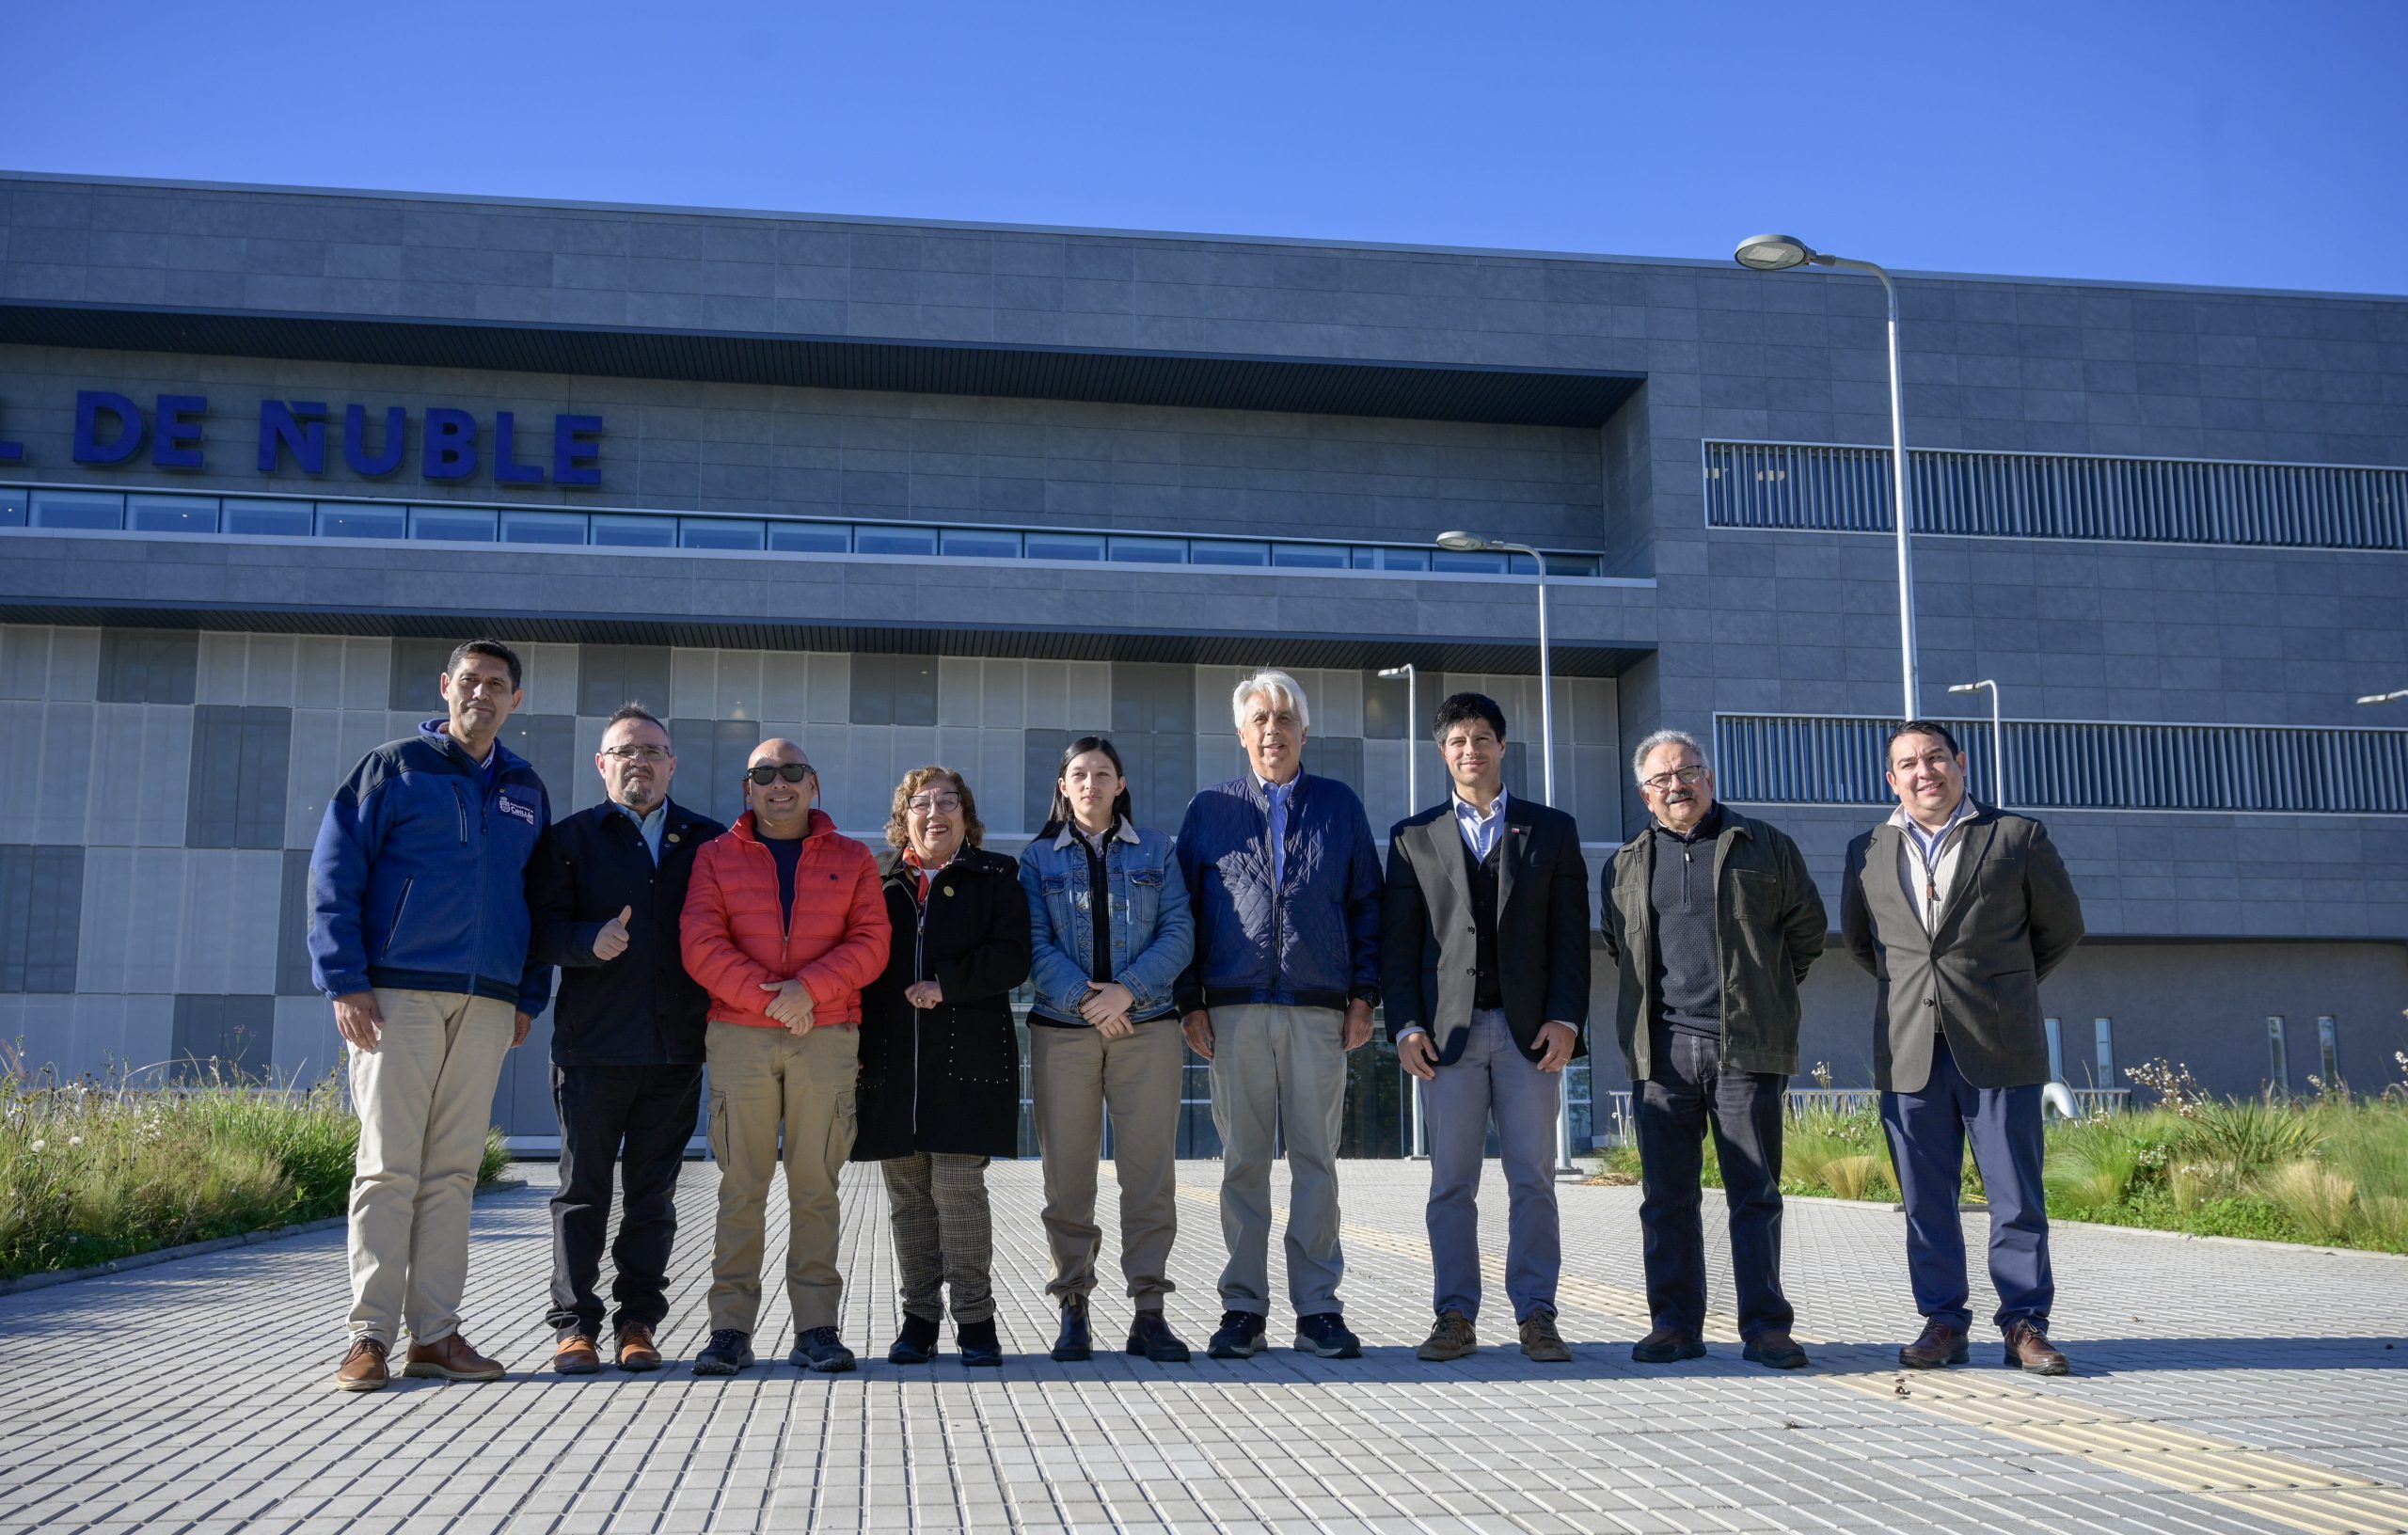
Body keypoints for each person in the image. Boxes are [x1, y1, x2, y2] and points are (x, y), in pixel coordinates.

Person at [310, 639, 552, 1393]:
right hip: (396, 996)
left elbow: (536, 900)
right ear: (447, 687)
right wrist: (345, 980)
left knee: (452, 1173)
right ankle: (369, 1336)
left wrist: (528, 994)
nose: (482, 694)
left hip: (487, 1002)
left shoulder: (524, 787)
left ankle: (437, 1335)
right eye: (470, 681)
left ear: (516, 700)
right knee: (388, 1167)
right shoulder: (393, 768)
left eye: (498, 685)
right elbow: (335, 872)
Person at [1841, 720, 2086, 1375]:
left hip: (1998, 1044)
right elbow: (1867, 946)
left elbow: (2059, 929)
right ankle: (1944, 1322)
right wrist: (1926, 992)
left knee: (2014, 1195)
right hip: (1908, 1046)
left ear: (1960, 764)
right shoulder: (1866, 848)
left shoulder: (2015, 836)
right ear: (1890, 779)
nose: (1925, 771)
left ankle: (2025, 1323)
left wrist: (1994, 987)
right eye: (1908, 763)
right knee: (1925, 1199)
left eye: (1936, 757)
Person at [1600, 729, 1826, 1370]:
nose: (1678, 785)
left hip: (1744, 1047)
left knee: (1754, 1192)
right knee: (1667, 1198)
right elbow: (1622, 947)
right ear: (1646, 795)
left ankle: (1765, 1327)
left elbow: (1805, 934)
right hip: (1662, 1053)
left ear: (1710, 778)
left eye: (1689, 771)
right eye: (1663, 779)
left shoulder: (1765, 847)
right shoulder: (1623, 864)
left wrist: (1764, 994)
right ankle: (1674, 1325)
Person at [1176, 670, 1382, 1362]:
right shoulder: (1208, 810)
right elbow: (1185, 914)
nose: (1273, 730)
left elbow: (1368, 907)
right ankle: (1243, 1308)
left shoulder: (1340, 806)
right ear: (1242, 733)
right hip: (1232, 1012)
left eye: (1285, 718)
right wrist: (1189, 1000)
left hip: (1318, 1011)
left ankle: (1319, 1307)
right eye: (1260, 719)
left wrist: (1363, 995)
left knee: (1316, 1162)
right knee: (1242, 1164)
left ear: (1304, 731)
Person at [1382, 693, 1590, 1365]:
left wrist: (1566, 1019)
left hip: (1532, 1036)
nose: (1470, 749)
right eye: (1457, 741)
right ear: (1442, 753)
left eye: (1482, 738)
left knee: (1533, 1179)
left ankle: (1538, 1314)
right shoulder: (1412, 836)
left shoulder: (1551, 830)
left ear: (1502, 746)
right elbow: (1399, 946)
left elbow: (1569, 939)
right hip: (1449, 1038)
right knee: (1451, 1183)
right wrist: (1407, 1025)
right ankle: (1454, 1315)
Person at [525, 704, 725, 1374]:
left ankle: (637, 1322)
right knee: (582, 1193)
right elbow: (539, 931)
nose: (637, 761)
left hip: (675, 1050)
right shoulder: (569, 839)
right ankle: (574, 1326)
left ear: (672, 764)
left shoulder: (709, 841)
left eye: (651, 751)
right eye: (624, 751)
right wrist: (588, 941)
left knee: (653, 1197)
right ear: (601, 764)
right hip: (592, 1050)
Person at [679, 738, 888, 1376]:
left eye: (791, 772)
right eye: (764, 774)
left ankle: (817, 1328)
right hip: (741, 1036)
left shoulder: (852, 859)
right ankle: (729, 1330)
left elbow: (873, 941)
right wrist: (778, 1001)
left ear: (813, 783)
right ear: (748, 788)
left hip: (825, 1035)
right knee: (741, 1186)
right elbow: (700, 942)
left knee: (816, 1187)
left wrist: (810, 992)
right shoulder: (714, 857)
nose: (779, 784)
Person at [1019, 736, 1196, 1364]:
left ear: (1120, 784)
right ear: (1062, 786)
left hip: (1146, 1028)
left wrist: (1126, 993)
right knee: (1068, 1177)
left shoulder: (1159, 850)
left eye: (1102, 773)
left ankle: (1150, 1311)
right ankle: (1074, 1307)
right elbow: (1032, 943)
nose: (1090, 782)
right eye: (1078, 774)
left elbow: (1180, 930)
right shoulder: (1037, 860)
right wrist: (1085, 1001)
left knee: (1149, 1176)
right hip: (1063, 1033)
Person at [853, 767, 1032, 1368]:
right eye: (921, 804)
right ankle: (919, 1319)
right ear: (904, 817)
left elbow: (1012, 958)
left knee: (957, 1191)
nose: (936, 813)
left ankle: (976, 1320)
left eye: (948, 802)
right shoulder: (876, 878)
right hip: (890, 1061)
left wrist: (947, 986)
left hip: (966, 1058)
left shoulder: (996, 875)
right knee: (907, 1198)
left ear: (967, 815)